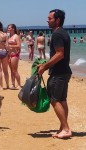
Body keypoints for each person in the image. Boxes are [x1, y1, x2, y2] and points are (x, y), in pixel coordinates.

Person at [38, 9, 72, 139]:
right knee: (62, 100)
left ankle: (66, 128)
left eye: (50, 18)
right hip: (64, 72)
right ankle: (63, 127)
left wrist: (44, 66)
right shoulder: (63, 33)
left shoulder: (57, 34)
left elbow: (59, 54)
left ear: (57, 20)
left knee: (55, 100)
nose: (47, 20)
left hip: (58, 73)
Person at [7, 24, 21, 89]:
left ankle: (19, 85)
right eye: (8, 28)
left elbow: (18, 45)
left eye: (9, 28)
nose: (8, 29)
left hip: (14, 55)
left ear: (13, 29)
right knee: (11, 70)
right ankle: (13, 84)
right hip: (9, 55)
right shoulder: (9, 36)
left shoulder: (16, 36)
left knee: (15, 70)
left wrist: (10, 46)